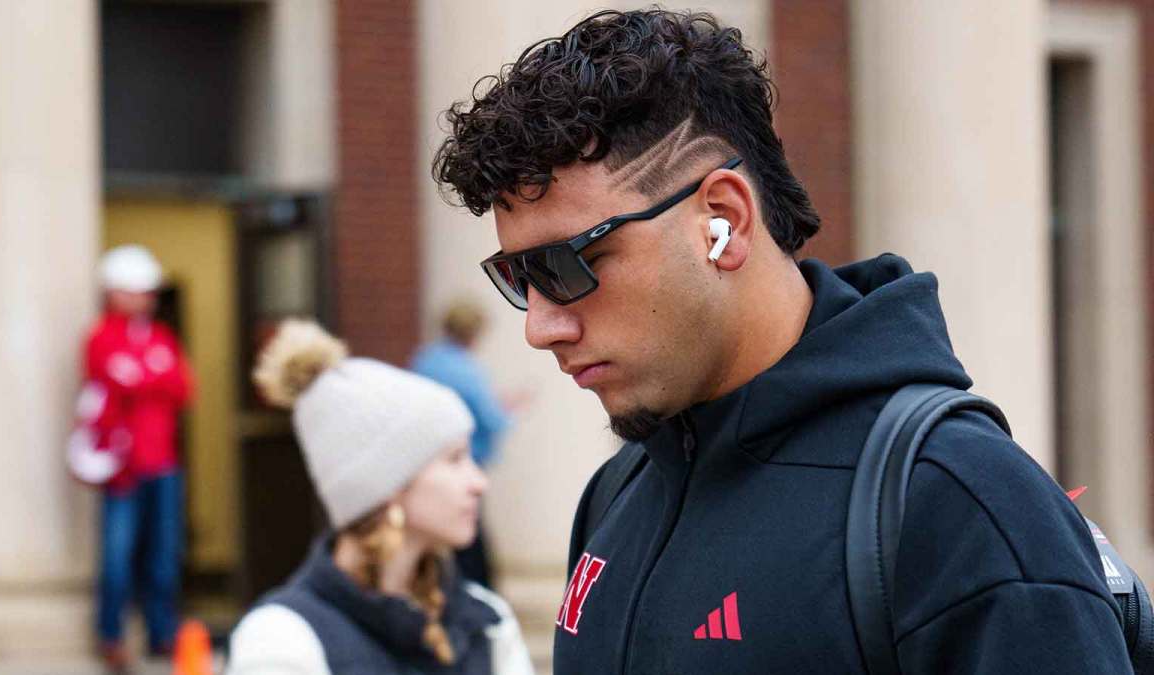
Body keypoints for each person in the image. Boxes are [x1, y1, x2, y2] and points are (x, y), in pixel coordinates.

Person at [431, 8, 1132, 674]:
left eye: (567, 265)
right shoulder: (617, 494)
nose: (539, 325)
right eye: (518, 276)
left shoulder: (958, 500)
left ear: (724, 222)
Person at [227, 319, 534, 675]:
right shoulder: (282, 640)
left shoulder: (486, 619)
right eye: (454, 459)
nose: (479, 482)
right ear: (388, 485)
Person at [86, 244, 194, 670]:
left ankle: (161, 633)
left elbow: (182, 388)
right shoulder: (101, 337)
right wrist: (152, 375)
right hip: (122, 469)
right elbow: (113, 381)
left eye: (146, 292)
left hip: (163, 463)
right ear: (113, 292)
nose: (142, 299)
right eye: (133, 291)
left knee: (164, 555)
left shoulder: (161, 338)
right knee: (117, 556)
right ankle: (111, 636)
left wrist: (142, 374)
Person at [412, 299, 519, 589]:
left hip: (425, 461)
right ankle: (479, 593)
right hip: (464, 459)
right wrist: (509, 409)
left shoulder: (425, 360)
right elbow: (492, 420)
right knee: (470, 534)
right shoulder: (468, 371)